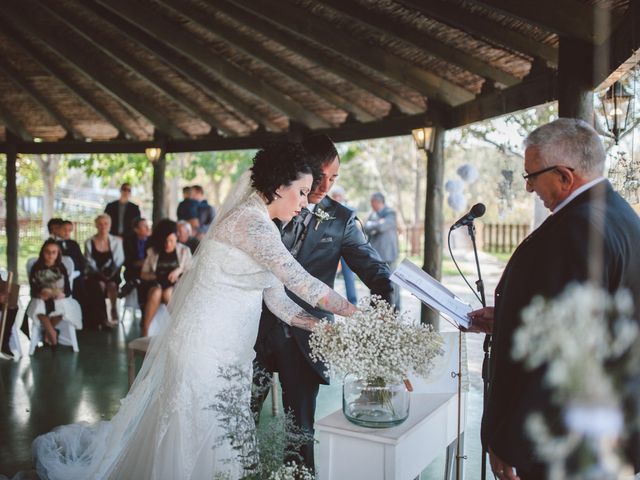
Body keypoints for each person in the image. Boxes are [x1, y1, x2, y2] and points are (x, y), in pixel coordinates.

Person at [31, 141, 356, 479]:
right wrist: (358, 316)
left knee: (223, 436)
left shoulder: (264, 225)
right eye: (302, 192)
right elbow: (301, 281)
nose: (305, 203)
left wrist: (316, 325)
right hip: (204, 349)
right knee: (196, 438)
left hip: (233, 353)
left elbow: (277, 298)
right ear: (278, 187)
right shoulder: (251, 223)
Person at [467, 118, 640, 479]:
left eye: (532, 176)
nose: (529, 187)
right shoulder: (623, 216)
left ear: (564, 175)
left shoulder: (574, 230)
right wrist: (513, 316)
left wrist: (510, 441)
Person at [253, 135, 394, 471]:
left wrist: (382, 307)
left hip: (307, 339)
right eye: (320, 176)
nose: (325, 186)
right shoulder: (265, 205)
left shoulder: (342, 219)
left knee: (299, 431)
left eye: (334, 179)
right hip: (253, 330)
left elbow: (375, 270)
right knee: (236, 419)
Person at [140, 219, 192, 336]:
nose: (168, 244)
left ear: (176, 238)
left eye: (171, 241)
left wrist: (179, 270)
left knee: (168, 293)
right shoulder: (153, 252)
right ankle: (145, 331)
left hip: (175, 285)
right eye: (165, 241)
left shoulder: (184, 251)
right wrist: (155, 276)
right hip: (156, 284)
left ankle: (180, 329)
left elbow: (191, 271)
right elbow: (143, 274)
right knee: (156, 292)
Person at [26, 240, 82, 347]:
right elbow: (33, 289)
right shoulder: (36, 267)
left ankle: (48, 332)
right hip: (42, 298)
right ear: (42, 252)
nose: (50, 255)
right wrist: (41, 294)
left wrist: (62, 294)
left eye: (53, 252)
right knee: (39, 308)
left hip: (58, 297)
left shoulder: (61, 268)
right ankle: (52, 333)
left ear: (58, 253)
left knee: (65, 309)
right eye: (47, 252)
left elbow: (68, 290)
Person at [83, 213, 125, 327]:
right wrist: (100, 274)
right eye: (100, 224)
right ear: (96, 226)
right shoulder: (89, 242)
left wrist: (110, 274)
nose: (103, 227)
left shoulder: (117, 241)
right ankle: (103, 318)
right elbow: (89, 261)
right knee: (99, 285)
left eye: (106, 224)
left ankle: (113, 309)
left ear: (110, 226)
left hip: (113, 272)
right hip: (95, 273)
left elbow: (119, 260)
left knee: (112, 285)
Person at [364, 192, 400, 308]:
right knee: (376, 283)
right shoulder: (372, 215)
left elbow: (382, 226)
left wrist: (375, 225)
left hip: (389, 256)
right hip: (376, 256)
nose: (371, 205)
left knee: (393, 284)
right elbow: (366, 228)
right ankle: (377, 310)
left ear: (378, 202)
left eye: (372, 202)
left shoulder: (390, 213)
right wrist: (375, 224)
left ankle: (395, 309)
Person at [329, 186, 358, 304]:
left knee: (349, 276)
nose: (336, 198)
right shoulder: (327, 210)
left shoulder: (350, 210)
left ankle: (353, 302)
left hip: (346, 248)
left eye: (338, 196)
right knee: (328, 275)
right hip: (331, 248)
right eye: (334, 196)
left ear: (343, 197)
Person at [120, 217, 150, 299]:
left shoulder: (152, 241)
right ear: (136, 230)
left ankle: (134, 283)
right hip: (133, 270)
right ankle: (134, 281)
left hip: (148, 270)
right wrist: (137, 263)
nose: (148, 228)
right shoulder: (129, 241)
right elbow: (125, 260)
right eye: (144, 226)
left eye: (147, 225)